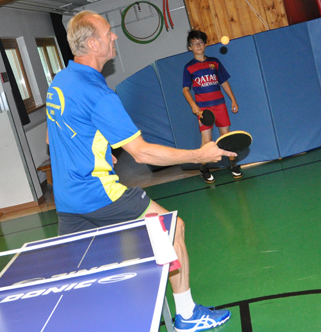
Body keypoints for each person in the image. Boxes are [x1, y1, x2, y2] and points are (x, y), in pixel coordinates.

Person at [46, 10, 234, 331]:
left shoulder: (61, 80)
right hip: (99, 194)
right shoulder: (99, 94)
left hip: (67, 200)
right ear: (93, 44)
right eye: (108, 33)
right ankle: (187, 315)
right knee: (173, 230)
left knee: (85, 279)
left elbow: (66, 129)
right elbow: (143, 152)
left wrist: (102, 150)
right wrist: (199, 152)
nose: (114, 36)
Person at [182, 30, 240, 184]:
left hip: (220, 105)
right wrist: (193, 105)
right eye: (194, 43)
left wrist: (233, 100)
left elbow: (224, 82)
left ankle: (233, 165)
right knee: (207, 142)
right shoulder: (189, 68)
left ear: (205, 44)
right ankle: (203, 168)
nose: (198, 45)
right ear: (190, 48)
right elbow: (185, 89)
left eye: (201, 42)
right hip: (203, 109)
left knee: (226, 136)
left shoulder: (215, 62)